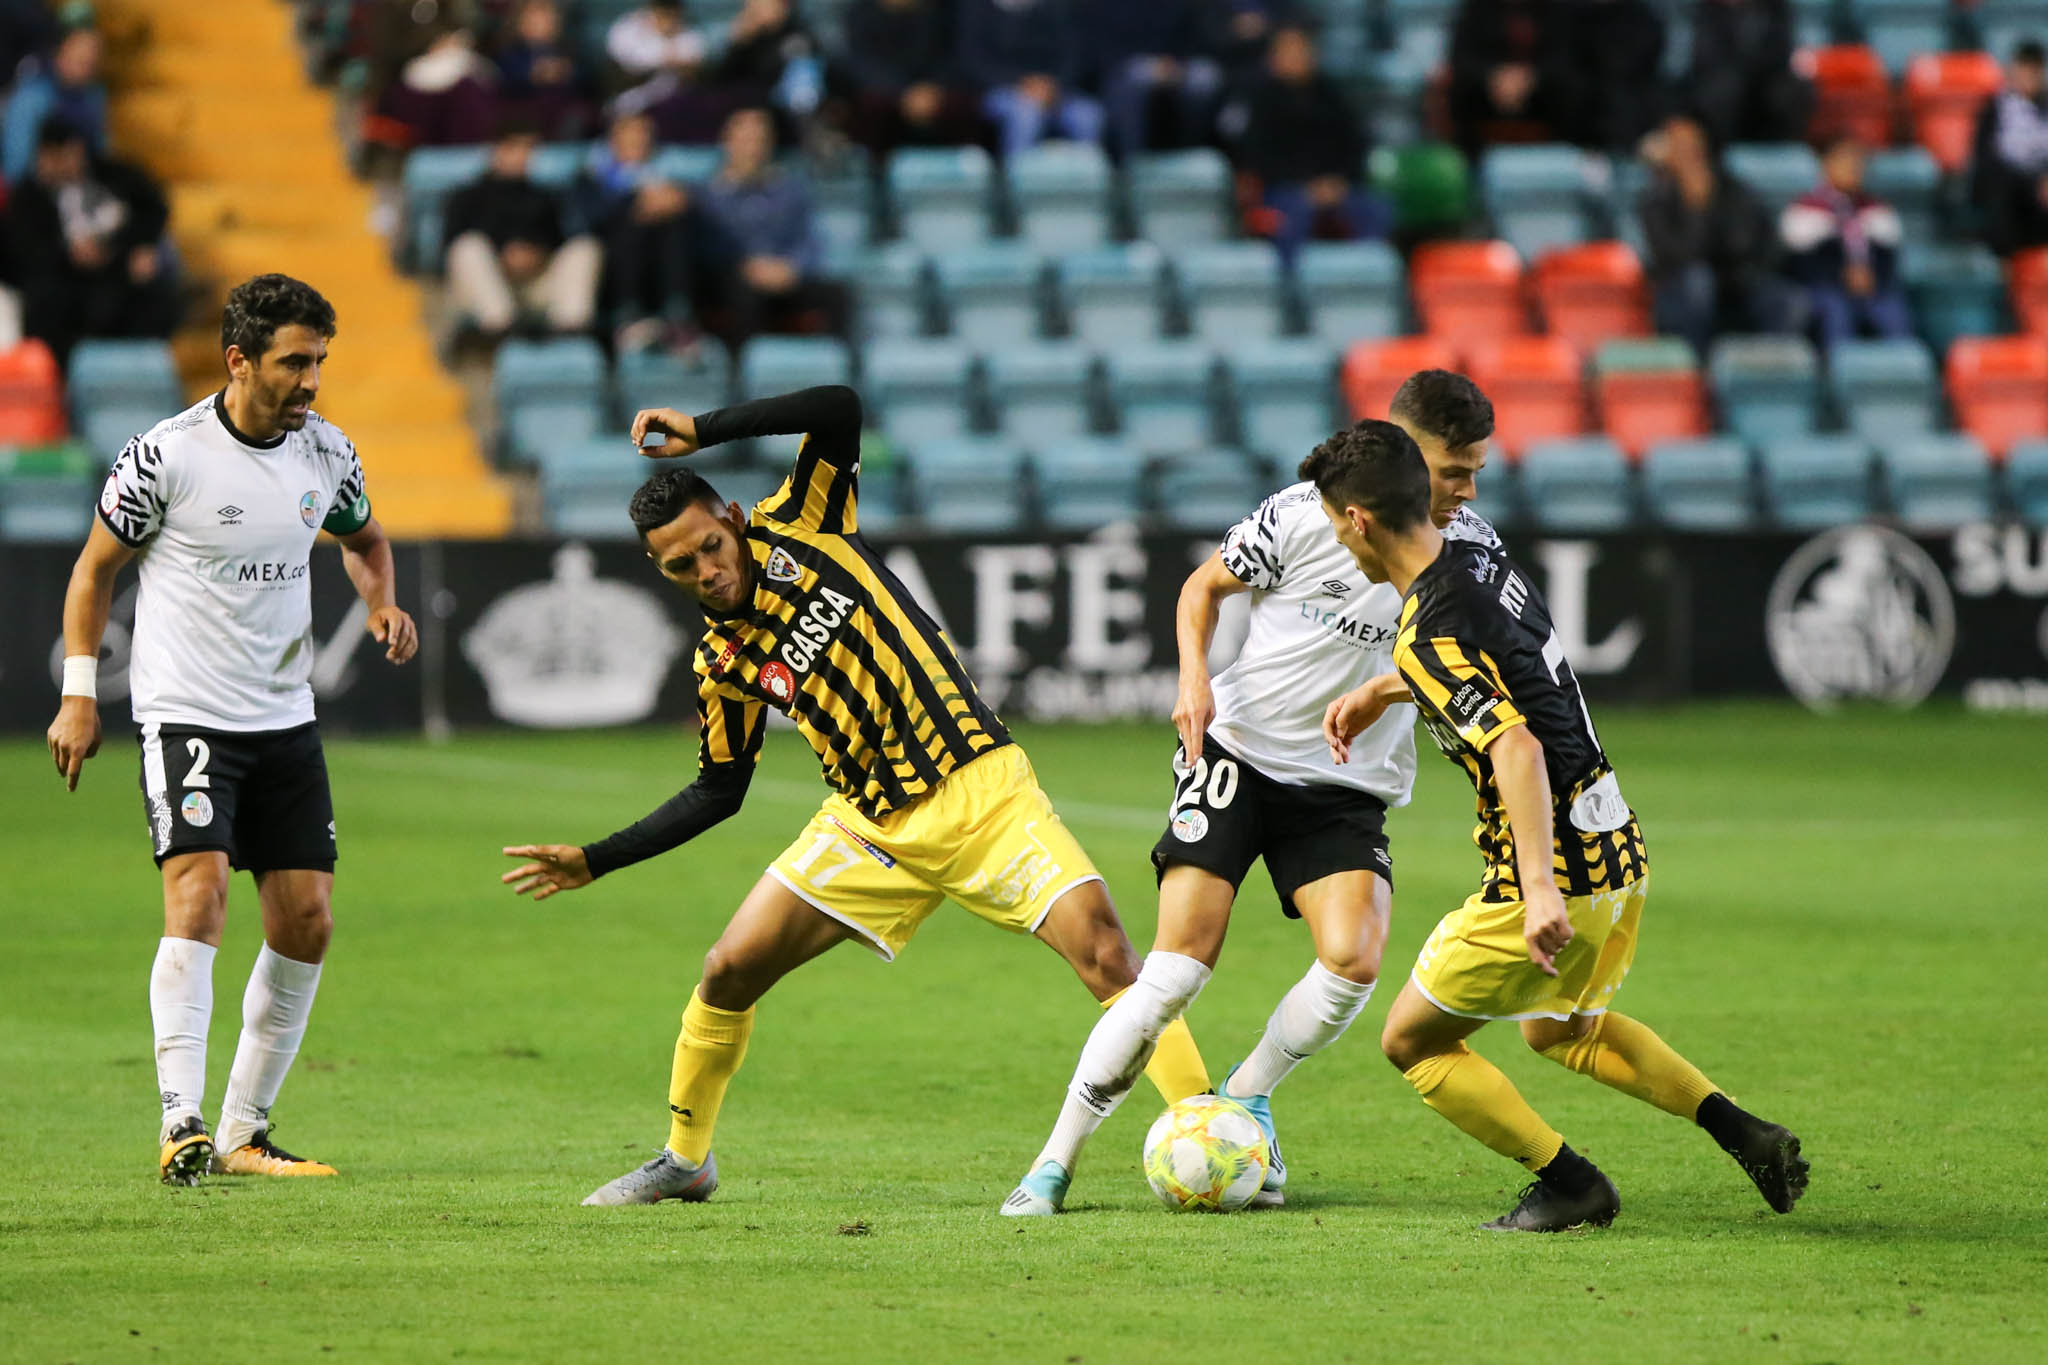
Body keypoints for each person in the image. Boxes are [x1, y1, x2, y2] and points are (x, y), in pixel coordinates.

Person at [499, 384, 1213, 1205]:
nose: (707, 569)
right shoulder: (720, 663)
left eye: (709, 545)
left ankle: (1205, 1128)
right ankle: (686, 1158)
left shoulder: (803, 518)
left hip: (979, 791)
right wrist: (598, 858)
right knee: (727, 969)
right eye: (681, 566)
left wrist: (702, 429)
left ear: (731, 516)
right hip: (868, 827)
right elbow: (719, 789)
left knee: (1110, 959)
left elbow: (838, 405)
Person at [999, 371, 1504, 1217]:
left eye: (1475, 470)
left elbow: (1481, 666)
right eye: (1456, 469)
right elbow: (1203, 588)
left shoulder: (1473, 554)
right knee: (1173, 970)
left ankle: (1245, 1094)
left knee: (1353, 960)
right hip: (1235, 753)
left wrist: (1388, 694)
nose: (1468, 488)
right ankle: (1052, 1164)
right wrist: (1195, 678)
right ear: (1408, 458)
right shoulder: (1303, 516)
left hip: (1345, 785)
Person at [1307, 418, 1809, 1232]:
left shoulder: (1426, 631)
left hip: (1550, 879)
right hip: (1618, 846)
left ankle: (1571, 1182)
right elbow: (1514, 663)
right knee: (1558, 1028)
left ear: (1358, 519)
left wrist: (1536, 886)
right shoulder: (1476, 560)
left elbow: (1515, 744)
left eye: (1336, 527)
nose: (1340, 544)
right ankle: (1744, 1130)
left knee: (1411, 1040)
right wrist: (1382, 689)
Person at [44, 274, 420, 1185]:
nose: (311, 381)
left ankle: (246, 1131)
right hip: (186, 714)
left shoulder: (326, 454)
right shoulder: (166, 456)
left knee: (307, 921)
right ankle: (182, 1121)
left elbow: (366, 543)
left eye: (320, 361)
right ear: (239, 359)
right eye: (295, 361)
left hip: (284, 718)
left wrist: (383, 604)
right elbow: (95, 572)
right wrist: (81, 692)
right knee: (201, 895)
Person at [5, 116, 180, 365]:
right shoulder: (30, 197)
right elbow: (22, 252)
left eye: (68, 156)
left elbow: (154, 209)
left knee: (157, 288)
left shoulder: (114, 175)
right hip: (64, 283)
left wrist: (131, 246)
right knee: (47, 303)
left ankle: (141, 370)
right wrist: (68, 254)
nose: (64, 166)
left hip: (119, 272)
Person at [1638, 113, 1786, 358]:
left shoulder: (1734, 190)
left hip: (1734, 286)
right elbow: (1676, 256)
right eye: (1677, 145)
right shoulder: (1655, 199)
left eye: (1691, 145)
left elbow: (1752, 242)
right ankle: (1699, 367)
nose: (1686, 154)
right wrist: (1696, 209)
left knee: (1787, 300)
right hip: (1679, 292)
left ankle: (1765, 375)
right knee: (1698, 280)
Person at [1237, 24, 1387, 263]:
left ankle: (1365, 280)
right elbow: (1259, 159)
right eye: (1288, 52)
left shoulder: (1331, 95)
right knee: (1294, 214)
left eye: (1301, 50)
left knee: (1376, 209)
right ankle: (1293, 286)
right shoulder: (1262, 102)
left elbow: (1356, 145)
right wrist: (1307, 189)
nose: (1296, 58)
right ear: (1274, 59)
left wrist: (1338, 182)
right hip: (1284, 189)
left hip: (1336, 186)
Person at [697, 107, 847, 343]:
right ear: (728, 142)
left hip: (784, 277)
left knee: (838, 294)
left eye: (760, 140)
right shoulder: (708, 195)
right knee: (741, 295)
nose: (753, 149)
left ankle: (838, 370)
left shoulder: (791, 190)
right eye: (746, 140)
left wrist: (792, 267)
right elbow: (706, 246)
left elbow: (809, 239)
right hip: (736, 280)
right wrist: (746, 267)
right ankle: (743, 371)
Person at [442, 121, 602, 341]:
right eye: (513, 148)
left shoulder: (544, 196)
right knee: (468, 246)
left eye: (527, 149)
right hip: (487, 286)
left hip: (536, 285)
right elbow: (450, 248)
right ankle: (500, 327)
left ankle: (571, 329)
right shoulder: (466, 196)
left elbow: (559, 242)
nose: (521, 156)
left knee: (585, 247)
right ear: (495, 149)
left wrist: (537, 255)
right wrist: (503, 255)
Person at [577, 110, 698, 351]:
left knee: (672, 225)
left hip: (663, 261)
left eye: (644, 135)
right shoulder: (592, 176)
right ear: (613, 140)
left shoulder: (669, 180)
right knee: (631, 227)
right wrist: (635, 202)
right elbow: (589, 219)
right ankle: (628, 315)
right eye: (630, 135)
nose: (638, 141)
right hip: (613, 266)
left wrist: (677, 202)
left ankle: (678, 316)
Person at [1781, 137, 1911, 351]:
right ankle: (1838, 374)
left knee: (1893, 310)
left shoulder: (1877, 209)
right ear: (1825, 165)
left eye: (1858, 161)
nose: (1852, 167)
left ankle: (1900, 374)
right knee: (1835, 310)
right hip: (1823, 286)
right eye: (1844, 160)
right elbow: (1799, 262)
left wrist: (1872, 276)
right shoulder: (1805, 208)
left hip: (1872, 286)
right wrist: (1840, 274)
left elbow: (1888, 255)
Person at [1074, 0, 1222, 160]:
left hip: (1173, 64)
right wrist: (1152, 67)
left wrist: (1173, 63)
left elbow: (1190, 38)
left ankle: (1195, 154)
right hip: (1121, 68)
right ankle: (1132, 163)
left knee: (1205, 77)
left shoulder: (1174, 5)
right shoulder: (1101, 6)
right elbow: (1099, 51)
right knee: (1135, 78)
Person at [956, 0, 1103, 159]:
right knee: (1025, 114)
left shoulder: (1057, 6)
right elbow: (972, 61)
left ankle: (1083, 182)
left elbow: (1073, 55)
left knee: (1088, 115)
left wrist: (1053, 86)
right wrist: (1021, 84)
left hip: (1054, 91)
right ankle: (1016, 180)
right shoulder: (976, 7)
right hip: (999, 89)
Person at [840, 0, 986, 154]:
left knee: (967, 103)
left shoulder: (942, 11)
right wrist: (903, 93)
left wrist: (932, 89)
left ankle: (970, 165)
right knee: (870, 106)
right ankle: (870, 164)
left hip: (934, 91)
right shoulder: (860, 14)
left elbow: (954, 57)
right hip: (888, 92)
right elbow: (861, 64)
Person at [1447, 0, 1580, 160]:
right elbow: (1462, 60)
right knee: (1455, 88)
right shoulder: (1477, 8)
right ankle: (1469, 166)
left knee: (1573, 89)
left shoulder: (1561, 8)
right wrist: (1494, 76)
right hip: (1487, 96)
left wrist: (1530, 77)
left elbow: (1568, 60)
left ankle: (1576, 163)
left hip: (1545, 97)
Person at [1685, 0, 1810, 149]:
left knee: (1793, 90)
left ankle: (1782, 149)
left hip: (1765, 84)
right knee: (1720, 90)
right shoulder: (1707, 9)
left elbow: (1781, 50)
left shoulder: (1775, 7)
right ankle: (1720, 155)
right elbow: (1705, 59)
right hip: (1725, 88)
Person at [1971, 39, 2048, 259]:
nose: (2028, 77)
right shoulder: (1995, 108)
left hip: (2040, 187)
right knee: (1999, 182)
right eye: (2024, 69)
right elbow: (1984, 156)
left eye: (2034, 71)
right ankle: (2006, 267)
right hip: (2009, 188)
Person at [2, 24, 106, 185]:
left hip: (81, 184)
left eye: (91, 61)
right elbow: (16, 165)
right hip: (34, 187)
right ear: (60, 53)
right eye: (79, 59)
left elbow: (100, 151)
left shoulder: (93, 97)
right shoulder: (33, 96)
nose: (86, 66)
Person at [494, 0, 595, 140]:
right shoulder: (508, 51)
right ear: (520, 21)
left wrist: (565, 71)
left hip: (565, 112)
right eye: (534, 15)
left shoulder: (570, 49)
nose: (541, 21)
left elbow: (587, 77)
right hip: (524, 111)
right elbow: (505, 79)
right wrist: (536, 74)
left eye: (546, 15)